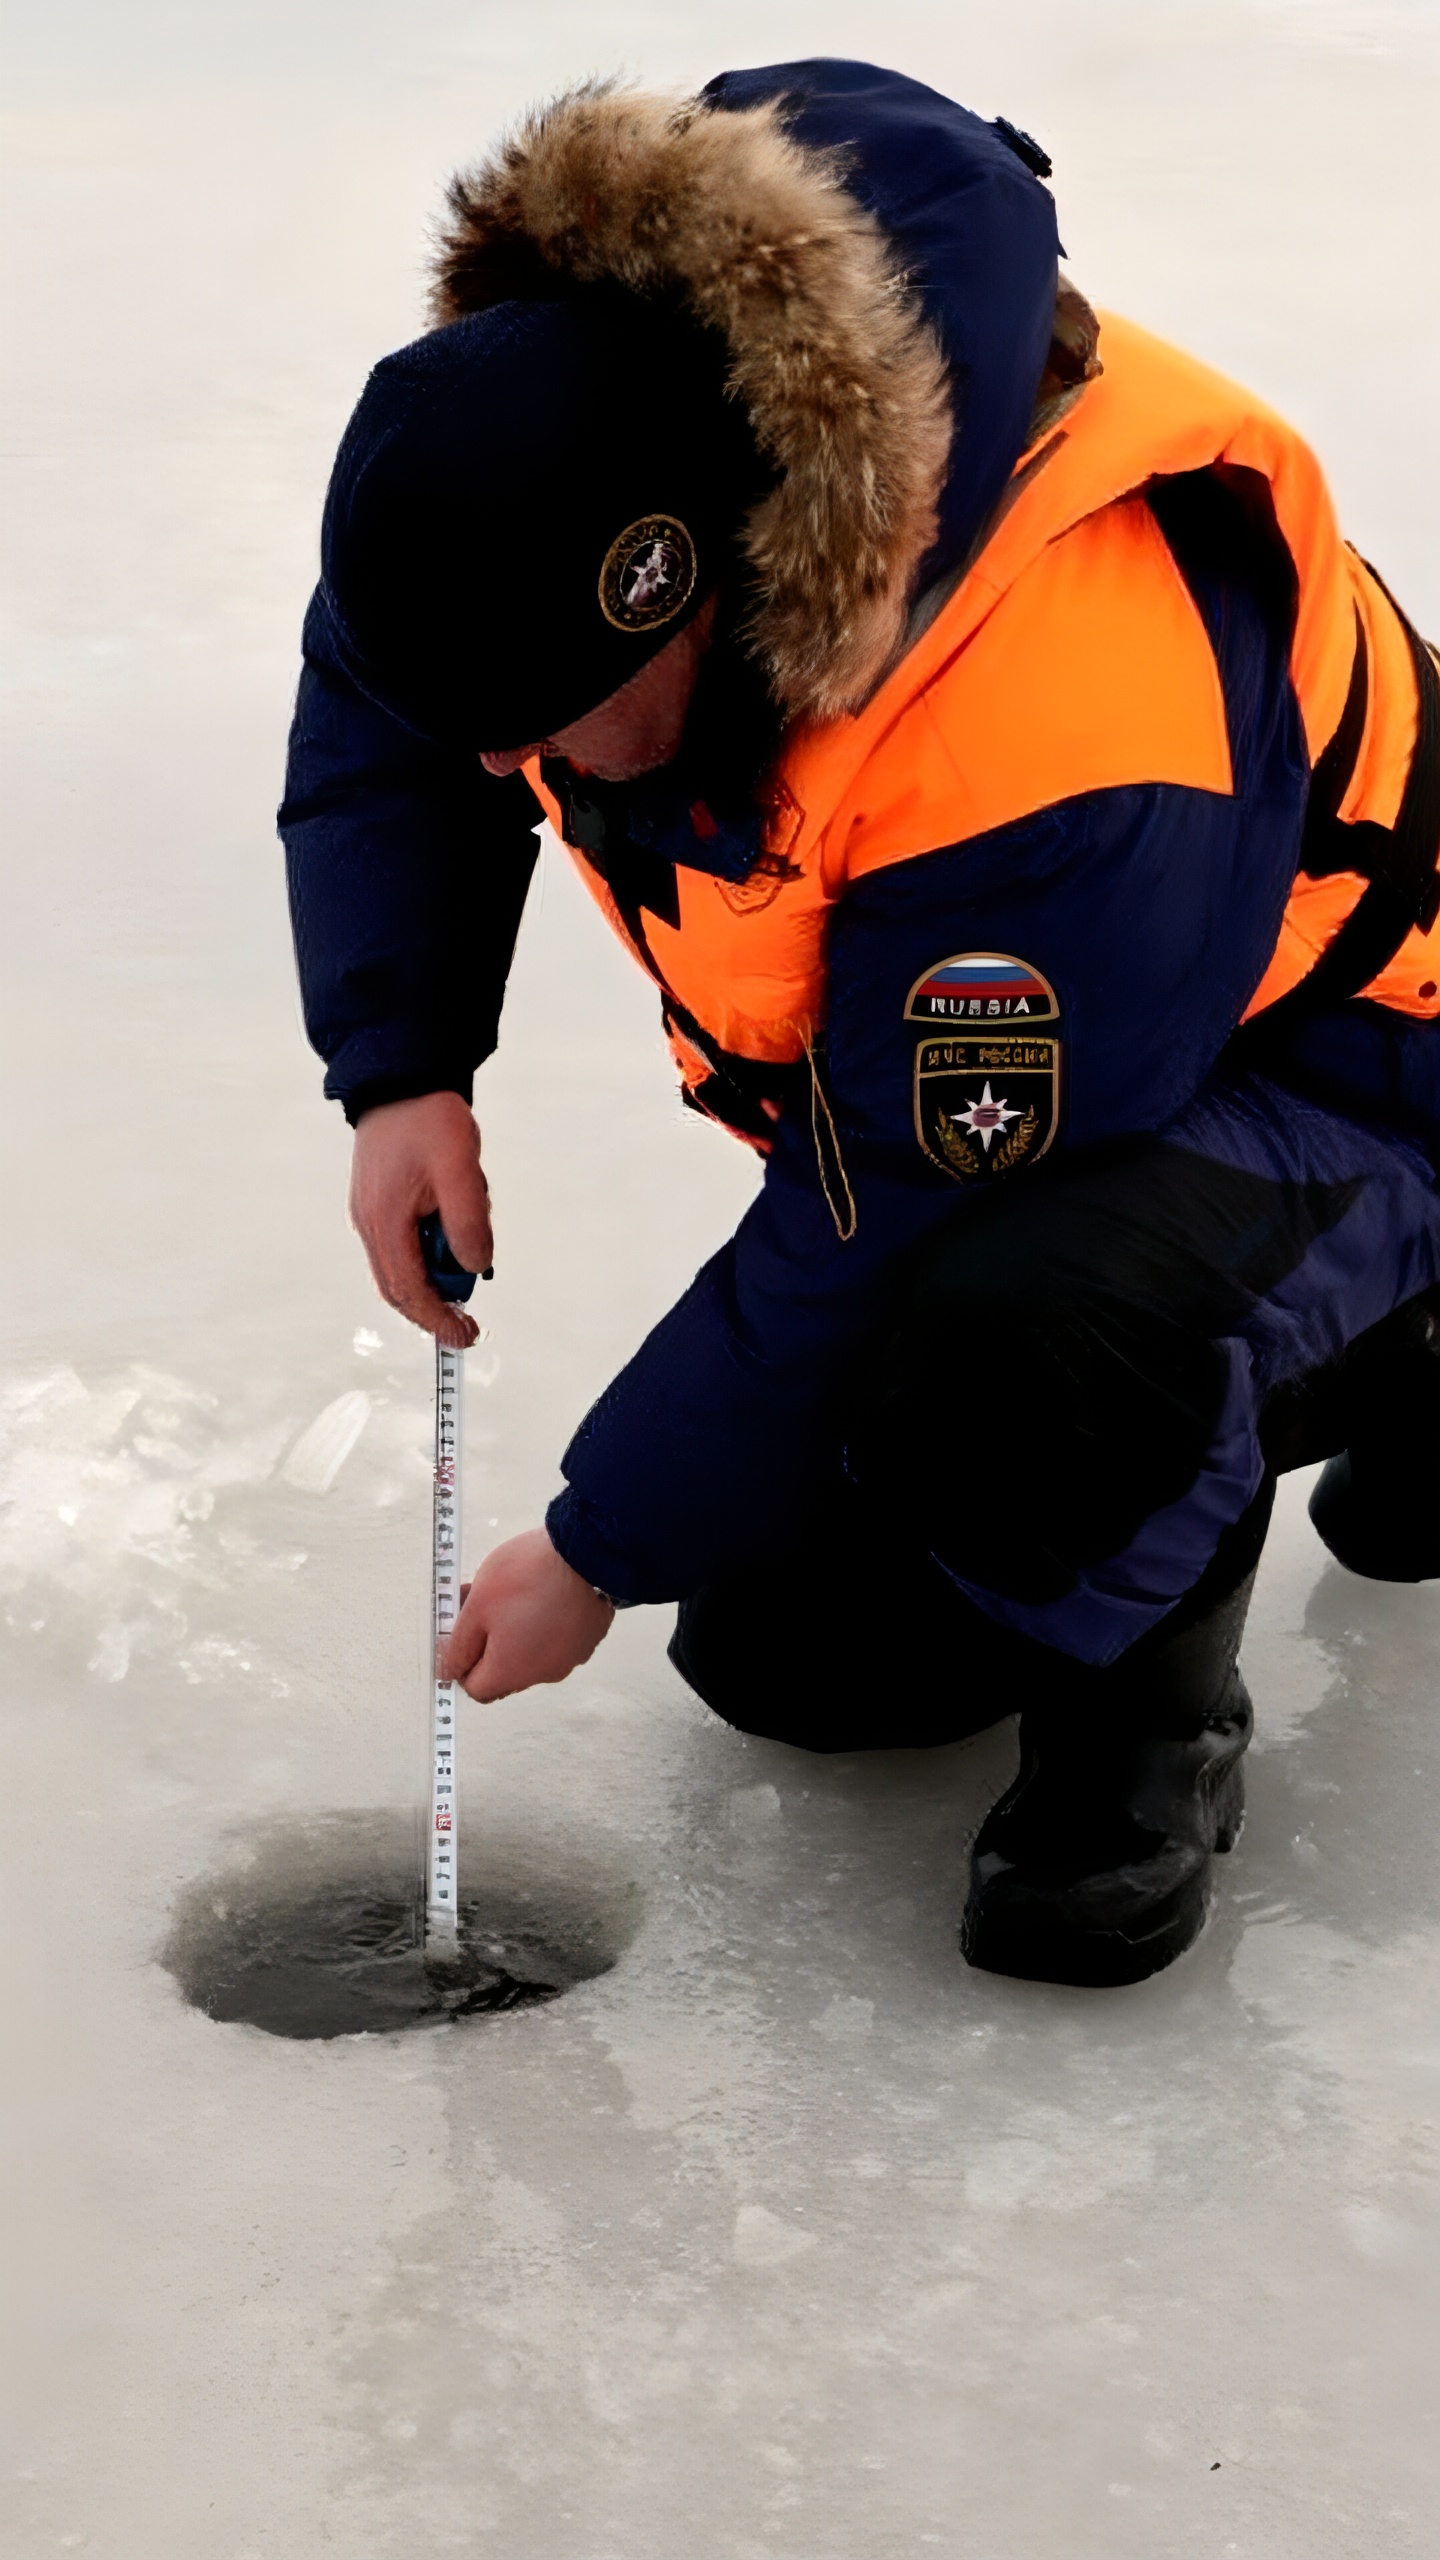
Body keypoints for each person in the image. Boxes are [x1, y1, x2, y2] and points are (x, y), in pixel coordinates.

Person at [281, 61, 1440, 1988]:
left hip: (1364, 1067)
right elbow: (393, 701)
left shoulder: (1051, 728)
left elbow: (898, 1206)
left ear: (694, 598)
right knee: (791, 1660)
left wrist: (590, 1544)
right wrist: (401, 1065)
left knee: (1025, 1318)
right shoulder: (557, 455)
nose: (505, 765)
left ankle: (1149, 1722)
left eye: (546, 717)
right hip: (1116, 1057)